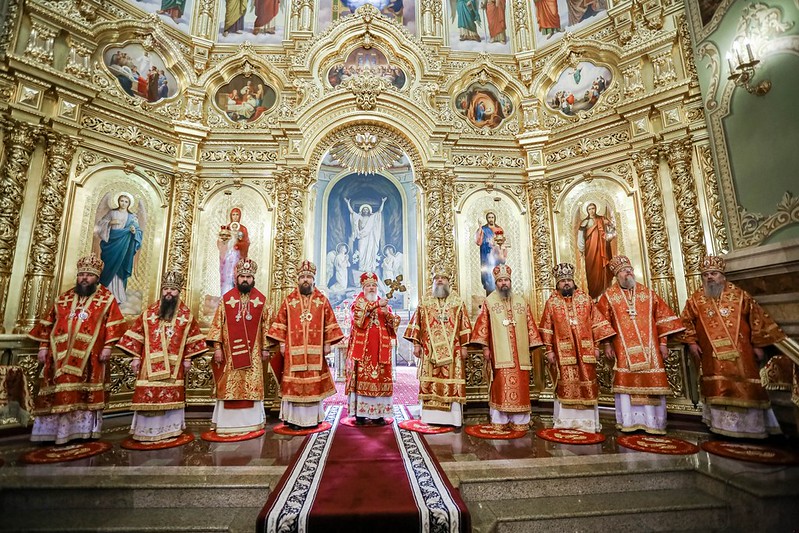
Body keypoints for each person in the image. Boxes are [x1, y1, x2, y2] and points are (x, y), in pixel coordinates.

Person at [678, 255, 787, 438]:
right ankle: (720, 425)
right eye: (705, 275)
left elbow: (756, 319)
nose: (709, 277)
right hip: (710, 354)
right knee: (718, 386)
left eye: (713, 273)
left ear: (722, 275)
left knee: (745, 385)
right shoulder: (696, 299)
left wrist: (758, 344)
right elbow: (685, 322)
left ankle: (751, 427)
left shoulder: (740, 295)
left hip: (741, 353)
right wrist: (691, 342)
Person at [28, 254, 126, 444]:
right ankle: (54, 432)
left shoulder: (106, 299)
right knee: (57, 391)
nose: (84, 278)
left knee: (84, 393)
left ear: (97, 277)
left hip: (91, 358)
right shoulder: (63, 299)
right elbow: (47, 324)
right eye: (81, 274)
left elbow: (114, 325)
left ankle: (82, 431)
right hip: (59, 356)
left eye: (89, 275)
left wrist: (108, 347)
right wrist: (43, 347)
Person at [596, 256, 684, 434]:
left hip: (650, 349)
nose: (628, 272)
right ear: (617, 275)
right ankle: (629, 421)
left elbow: (663, 319)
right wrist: (607, 345)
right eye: (623, 270)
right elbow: (602, 322)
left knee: (651, 381)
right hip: (623, 349)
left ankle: (653, 422)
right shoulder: (609, 296)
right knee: (626, 385)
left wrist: (663, 343)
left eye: (629, 269)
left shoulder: (648, 294)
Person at [117, 270, 207, 442]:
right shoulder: (149, 313)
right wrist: (135, 357)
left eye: (172, 289)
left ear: (179, 292)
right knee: (148, 394)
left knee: (170, 395)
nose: (168, 292)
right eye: (166, 289)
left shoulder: (185, 315)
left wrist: (188, 359)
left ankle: (170, 428)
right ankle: (146, 430)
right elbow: (137, 334)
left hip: (174, 366)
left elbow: (192, 338)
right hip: (148, 365)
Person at [267, 260, 343, 429]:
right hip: (293, 352)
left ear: (313, 280)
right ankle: (293, 419)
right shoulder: (289, 301)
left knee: (314, 384)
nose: (306, 280)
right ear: (298, 280)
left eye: (309, 277)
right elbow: (281, 323)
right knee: (293, 384)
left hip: (315, 352)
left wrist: (328, 343)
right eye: (303, 277)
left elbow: (329, 323)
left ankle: (313, 418)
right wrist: (281, 344)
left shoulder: (322, 301)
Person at [539, 263, 615, 432]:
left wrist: (597, 346)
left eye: (568, 280)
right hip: (563, 352)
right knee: (567, 384)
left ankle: (588, 423)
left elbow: (596, 324)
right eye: (562, 281)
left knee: (587, 384)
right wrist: (549, 350)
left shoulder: (585, 299)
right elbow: (547, 328)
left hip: (586, 351)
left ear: (573, 282)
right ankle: (566, 422)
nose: (566, 283)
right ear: (557, 284)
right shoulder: (552, 302)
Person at [470, 264, 544, 431]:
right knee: (500, 385)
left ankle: (520, 420)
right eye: (500, 280)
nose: (504, 283)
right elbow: (483, 326)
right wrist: (485, 348)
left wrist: (533, 344)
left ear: (510, 282)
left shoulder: (521, 301)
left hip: (520, 354)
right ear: (496, 283)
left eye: (506, 280)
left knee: (521, 386)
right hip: (499, 353)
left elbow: (530, 324)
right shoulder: (489, 302)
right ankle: (500, 419)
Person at [207, 259, 273, 435]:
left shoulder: (261, 300)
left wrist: (265, 348)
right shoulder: (226, 300)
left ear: (253, 279)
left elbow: (266, 326)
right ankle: (227, 424)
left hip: (253, 355)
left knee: (251, 385)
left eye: (248, 277)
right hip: (229, 354)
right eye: (242, 276)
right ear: (236, 278)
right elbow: (217, 325)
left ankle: (251, 422)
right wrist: (217, 348)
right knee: (228, 384)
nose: (245, 279)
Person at [404, 269, 472, 427]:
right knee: (431, 379)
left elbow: (464, 325)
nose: (440, 280)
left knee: (451, 380)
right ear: (433, 281)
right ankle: (430, 417)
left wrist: (464, 346)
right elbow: (417, 323)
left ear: (449, 281)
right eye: (437, 278)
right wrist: (416, 344)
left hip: (453, 351)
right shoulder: (425, 301)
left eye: (443, 278)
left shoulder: (457, 301)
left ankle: (453, 419)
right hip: (430, 351)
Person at [346, 272, 401, 425]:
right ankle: (360, 414)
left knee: (380, 379)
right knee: (362, 378)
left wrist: (388, 315)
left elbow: (393, 325)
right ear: (363, 288)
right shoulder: (358, 303)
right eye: (368, 285)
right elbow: (358, 319)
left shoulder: (383, 305)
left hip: (380, 350)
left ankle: (379, 415)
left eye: (374, 285)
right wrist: (377, 305)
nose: (371, 288)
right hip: (363, 350)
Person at [95, 192, 143, 304]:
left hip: (124, 245)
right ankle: (105, 294)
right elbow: (100, 224)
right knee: (108, 267)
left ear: (129, 204)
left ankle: (118, 296)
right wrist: (110, 223)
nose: (123, 203)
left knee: (120, 267)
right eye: (122, 201)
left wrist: (134, 231)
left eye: (126, 202)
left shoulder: (132, 217)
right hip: (111, 244)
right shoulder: (112, 213)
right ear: (118, 201)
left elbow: (138, 231)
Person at [577, 202, 616, 299]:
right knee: (592, 271)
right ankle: (594, 297)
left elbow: (612, 230)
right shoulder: (585, 222)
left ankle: (605, 293)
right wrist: (581, 248)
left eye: (593, 208)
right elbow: (580, 236)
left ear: (596, 209)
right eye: (589, 209)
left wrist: (609, 232)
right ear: (587, 211)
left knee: (604, 269)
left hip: (603, 248)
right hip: (590, 249)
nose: (591, 211)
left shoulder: (602, 219)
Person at [345, 197, 386, 275]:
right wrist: (348, 203)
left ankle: (369, 267)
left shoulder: (372, 217)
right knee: (362, 251)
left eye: (367, 209)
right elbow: (352, 212)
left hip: (370, 237)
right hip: (362, 236)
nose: (365, 211)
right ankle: (362, 267)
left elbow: (379, 212)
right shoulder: (359, 217)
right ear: (362, 211)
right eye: (364, 209)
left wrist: (383, 202)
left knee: (370, 251)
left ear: (369, 211)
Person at [218, 207, 250, 295]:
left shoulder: (243, 229)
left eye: (237, 215)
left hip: (238, 255)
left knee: (236, 274)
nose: (235, 217)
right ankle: (225, 294)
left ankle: (236, 294)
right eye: (233, 215)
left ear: (240, 216)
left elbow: (246, 243)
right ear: (230, 216)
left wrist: (238, 245)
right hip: (227, 257)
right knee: (226, 275)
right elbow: (220, 242)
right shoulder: (226, 228)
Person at [474, 211, 505, 294]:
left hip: (496, 256)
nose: (491, 219)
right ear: (487, 219)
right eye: (489, 217)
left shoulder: (499, 229)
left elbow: (503, 243)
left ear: (495, 218)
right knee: (488, 275)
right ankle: (489, 293)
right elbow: (478, 241)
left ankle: (499, 292)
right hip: (486, 255)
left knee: (497, 273)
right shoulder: (484, 229)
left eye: (492, 217)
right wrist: (480, 227)